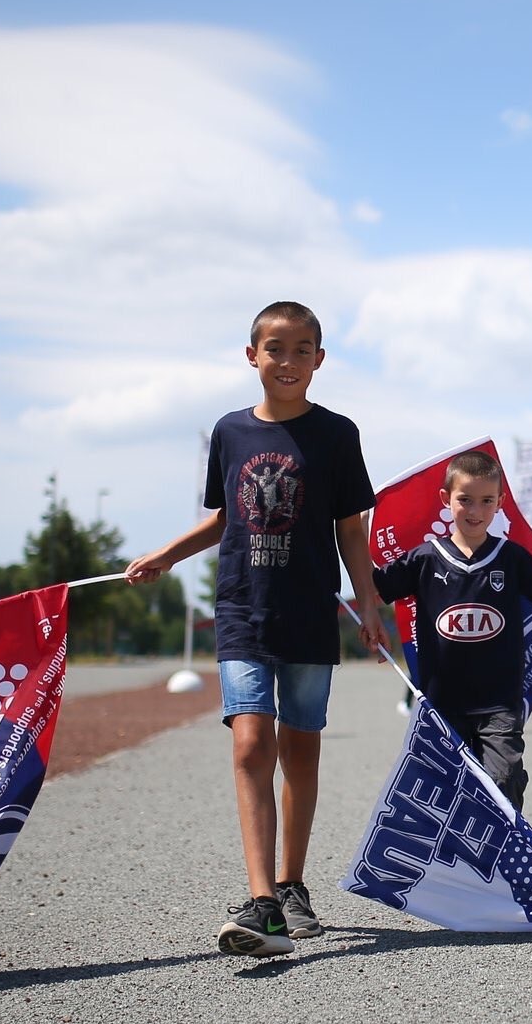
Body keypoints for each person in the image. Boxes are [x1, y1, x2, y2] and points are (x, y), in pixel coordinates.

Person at [125, 301, 387, 959]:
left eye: (303, 349)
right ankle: (262, 899)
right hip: (243, 609)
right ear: (252, 356)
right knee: (250, 744)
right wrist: (164, 555)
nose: (288, 360)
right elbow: (223, 520)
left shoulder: (337, 435)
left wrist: (371, 603)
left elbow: (350, 528)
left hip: (309, 614)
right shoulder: (230, 432)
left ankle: (293, 885)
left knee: (301, 751)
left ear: (319, 359)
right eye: (276, 347)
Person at [371, 450, 532, 810]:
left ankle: (497, 858)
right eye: (464, 500)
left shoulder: (510, 557)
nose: (475, 511)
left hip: (499, 703)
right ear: (445, 500)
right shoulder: (424, 558)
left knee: (503, 781)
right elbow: (373, 592)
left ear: (499, 504)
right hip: (441, 704)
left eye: (486, 501)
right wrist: (356, 532)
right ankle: (453, 863)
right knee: (443, 792)